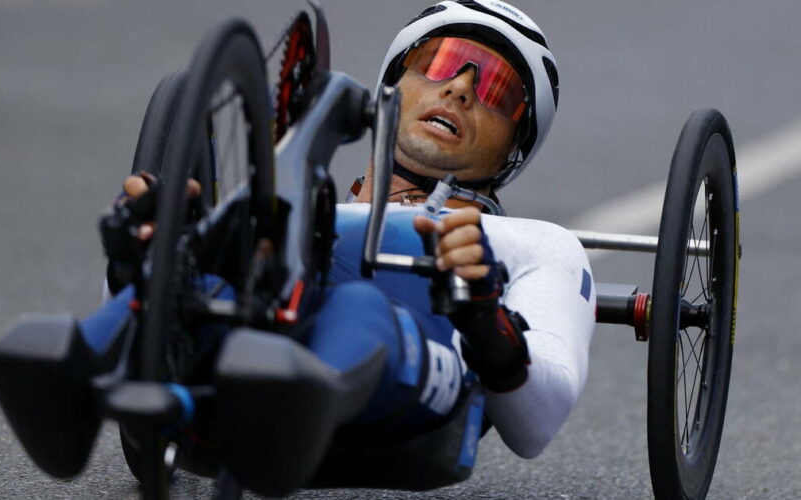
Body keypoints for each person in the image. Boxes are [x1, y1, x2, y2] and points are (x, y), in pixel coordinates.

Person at [106, 0, 593, 480]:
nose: (460, 88)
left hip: (417, 415)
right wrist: (157, 253)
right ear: (392, 86)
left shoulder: (534, 244)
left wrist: (485, 317)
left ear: (514, 148)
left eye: (496, 89)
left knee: (359, 308)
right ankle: (69, 367)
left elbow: (536, 428)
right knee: (187, 272)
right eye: (438, 63)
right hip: (239, 387)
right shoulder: (288, 212)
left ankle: (284, 395)